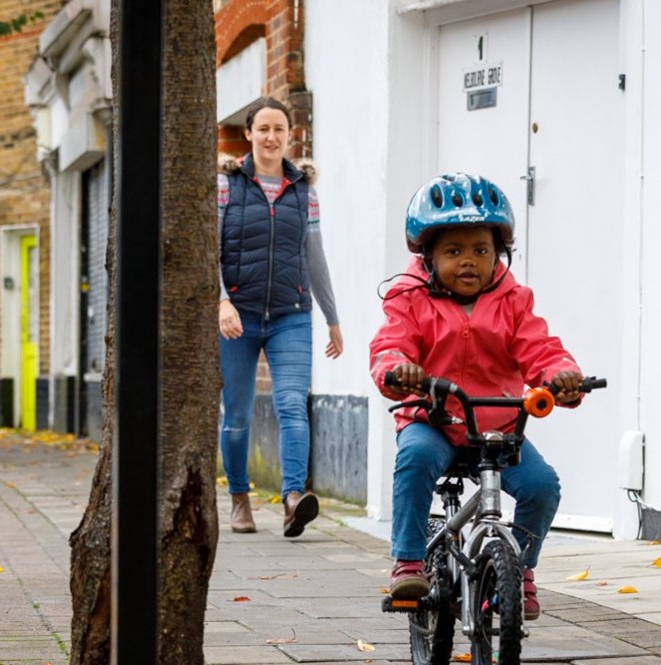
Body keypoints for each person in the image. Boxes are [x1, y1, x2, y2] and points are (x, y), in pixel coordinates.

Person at [369, 173, 584, 618]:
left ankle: (519, 567)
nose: (468, 261)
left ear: (499, 254)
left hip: (498, 425)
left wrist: (561, 375)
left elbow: (539, 348)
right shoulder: (408, 297)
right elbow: (391, 344)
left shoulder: (512, 300)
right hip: (434, 420)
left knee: (543, 486)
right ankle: (408, 560)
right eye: (454, 251)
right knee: (413, 462)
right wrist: (397, 369)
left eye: (480, 251)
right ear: (427, 257)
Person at [218, 96, 343, 538]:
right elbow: (208, 250)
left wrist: (332, 317)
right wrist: (221, 301)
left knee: (292, 404)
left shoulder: (304, 191)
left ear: (290, 136)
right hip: (239, 314)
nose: (272, 137)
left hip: (291, 313)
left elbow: (315, 255)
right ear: (248, 133)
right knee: (237, 414)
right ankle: (238, 498)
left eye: (280, 130)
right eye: (264, 129)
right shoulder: (227, 185)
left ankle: (293, 499)